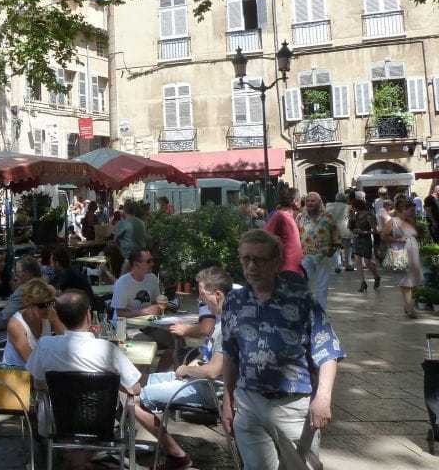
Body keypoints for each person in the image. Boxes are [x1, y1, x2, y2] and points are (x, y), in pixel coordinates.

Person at [221, 229, 344, 470]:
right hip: (249, 402)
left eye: (259, 259)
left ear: (276, 261)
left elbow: (328, 351)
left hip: (292, 404)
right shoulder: (234, 302)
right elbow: (230, 355)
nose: (251, 266)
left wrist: (323, 398)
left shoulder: (300, 299)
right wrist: (227, 400)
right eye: (245, 258)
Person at [25, 290, 143, 470]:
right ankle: (78, 460)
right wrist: (113, 383)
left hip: (58, 421)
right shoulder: (107, 349)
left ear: (60, 317)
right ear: (88, 315)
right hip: (100, 423)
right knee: (128, 402)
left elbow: (38, 383)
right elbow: (134, 388)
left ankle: (73, 459)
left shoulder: (45, 346)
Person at [134, 265, 234, 470]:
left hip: (209, 388)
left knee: (132, 401)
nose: (200, 298)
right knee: (135, 384)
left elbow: (213, 371)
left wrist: (187, 370)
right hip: (201, 381)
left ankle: (177, 455)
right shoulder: (223, 318)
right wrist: (198, 360)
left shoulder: (227, 326)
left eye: (202, 293)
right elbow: (212, 358)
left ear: (217, 294)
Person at [0, 256, 42, 347]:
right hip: (31, 332)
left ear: (27, 274)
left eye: (17, 273)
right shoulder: (44, 287)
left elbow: (5, 318)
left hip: (26, 335)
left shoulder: (24, 291)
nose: (16, 277)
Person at [2, 279, 64, 367]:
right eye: (42, 305)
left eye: (51, 302)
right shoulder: (15, 325)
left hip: (40, 370)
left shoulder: (51, 314)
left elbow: (68, 338)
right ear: (29, 304)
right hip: (17, 373)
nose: (48, 308)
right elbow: (32, 362)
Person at [297, 192, 339, 309]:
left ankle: (320, 311)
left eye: (313, 201)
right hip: (306, 255)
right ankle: (307, 308)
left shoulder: (328, 217)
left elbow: (336, 233)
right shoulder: (300, 217)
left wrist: (333, 249)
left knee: (323, 285)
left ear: (319, 202)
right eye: (308, 201)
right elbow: (296, 235)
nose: (310, 203)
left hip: (323, 255)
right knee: (305, 283)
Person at [383, 199, 425, 318]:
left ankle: (409, 306)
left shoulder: (411, 221)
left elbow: (416, 235)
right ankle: (409, 308)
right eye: (411, 210)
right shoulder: (393, 222)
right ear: (403, 209)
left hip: (413, 251)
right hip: (401, 253)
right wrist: (398, 240)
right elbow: (384, 236)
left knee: (414, 280)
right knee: (406, 282)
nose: (413, 212)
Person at [263, 187, 304, 280]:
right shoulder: (280, 216)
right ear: (294, 201)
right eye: (299, 200)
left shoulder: (290, 217)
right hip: (285, 272)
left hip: (295, 270)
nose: (301, 202)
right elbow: (264, 237)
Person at [110, 248, 163, 318]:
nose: (152, 264)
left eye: (152, 260)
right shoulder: (122, 283)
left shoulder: (152, 278)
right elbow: (120, 313)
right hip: (126, 327)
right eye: (149, 261)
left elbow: (156, 304)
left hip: (148, 325)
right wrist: (144, 312)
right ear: (136, 264)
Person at [348, 191, 380, 292]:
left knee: (367, 263)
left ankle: (376, 276)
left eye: (353, 207)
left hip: (366, 240)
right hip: (357, 240)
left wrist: (363, 231)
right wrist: (351, 217)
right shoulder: (355, 216)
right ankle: (362, 282)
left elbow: (375, 231)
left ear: (356, 207)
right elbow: (349, 227)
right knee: (357, 261)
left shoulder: (368, 216)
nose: (352, 209)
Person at [325, 192, 351, 274]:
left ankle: (337, 266)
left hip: (333, 230)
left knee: (335, 249)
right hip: (345, 230)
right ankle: (348, 265)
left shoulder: (328, 206)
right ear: (344, 199)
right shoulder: (348, 207)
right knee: (347, 248)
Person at [376, 199, 394, 264]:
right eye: (390, 205)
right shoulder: (382, 211)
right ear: (387, 205)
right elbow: (385, 221)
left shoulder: (383, 211)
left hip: (383, 230)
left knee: (385, 246)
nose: (391, 207)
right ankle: (384, 261)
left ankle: (385, 261)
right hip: (384, 231)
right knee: (385, 247)